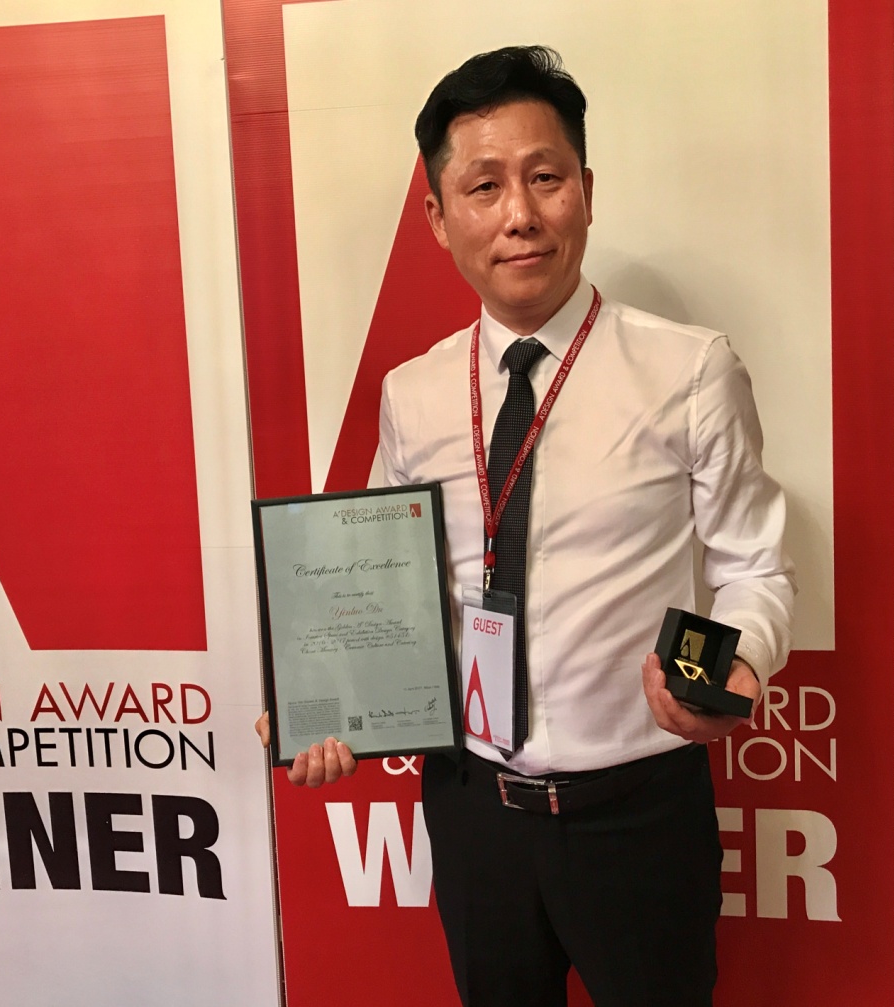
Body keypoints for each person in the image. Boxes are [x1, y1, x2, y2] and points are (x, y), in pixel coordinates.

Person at [257, 45, 794, 1007]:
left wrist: (738, 663)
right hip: (475, 815)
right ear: (438, 216)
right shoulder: (412, 391)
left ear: (586, 189)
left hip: (638, 811)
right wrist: (323, 701)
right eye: (484, 186)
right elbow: (379, 587)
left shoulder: (689, 369)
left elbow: (754, 565)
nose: (520, 214)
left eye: (546, 177)